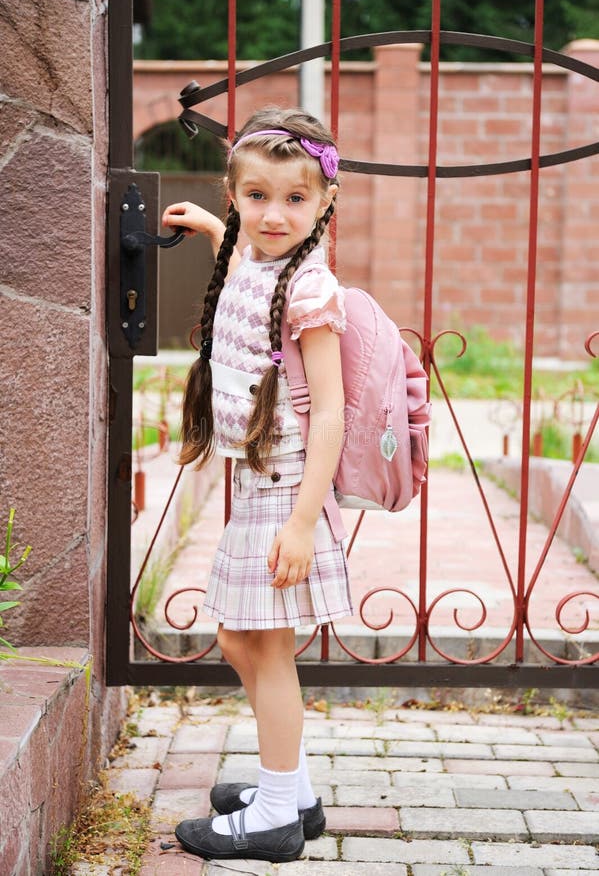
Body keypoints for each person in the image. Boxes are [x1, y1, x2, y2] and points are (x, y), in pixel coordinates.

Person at [161, 107, 353, 863]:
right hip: (259, 486)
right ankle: (292, 793)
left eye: (295, 199)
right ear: (235, 194)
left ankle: (275, 815)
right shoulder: (264, 265)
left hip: (285, 494)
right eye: (257, 196)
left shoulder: (311, 290)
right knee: (243, 640)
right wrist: (217, 229)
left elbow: (331, 412)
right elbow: (246, 274)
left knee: (257, 645)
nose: (275, 215)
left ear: (324, 202)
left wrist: (304, 523)